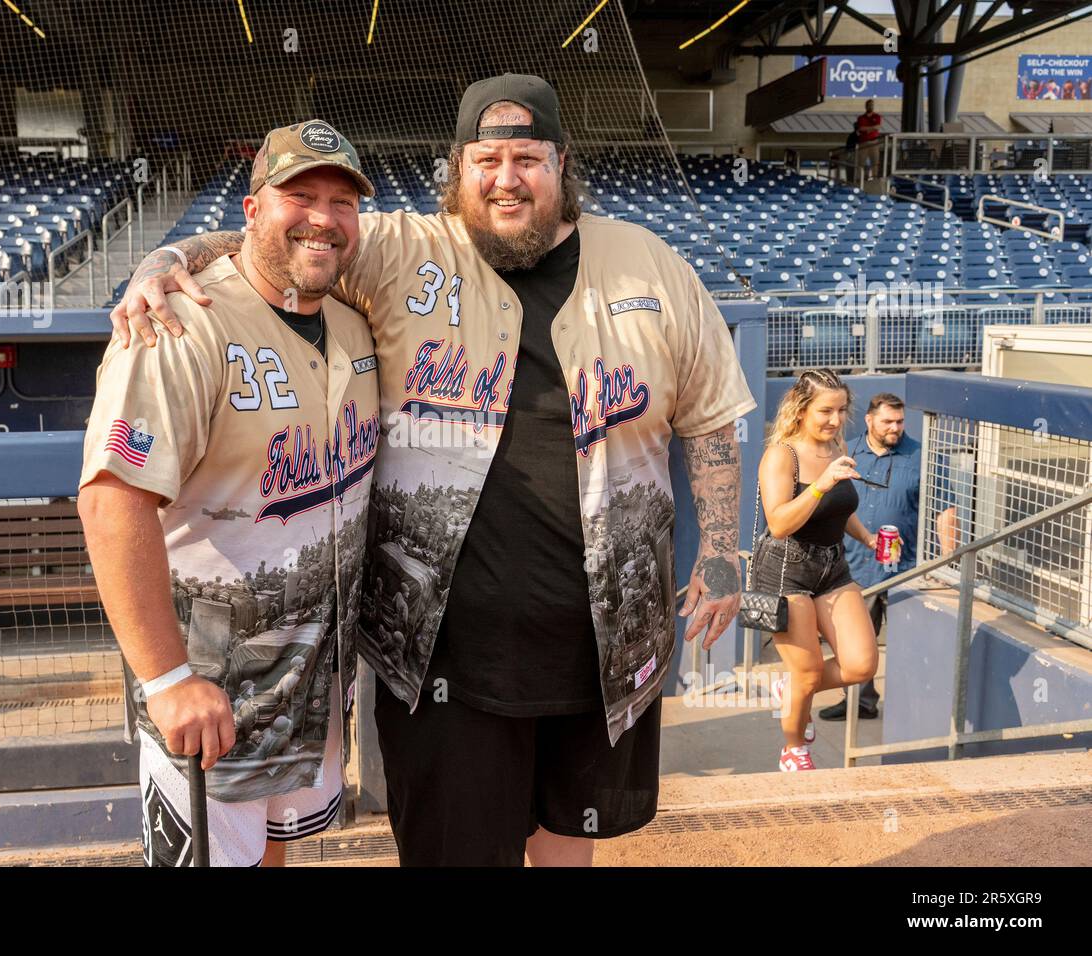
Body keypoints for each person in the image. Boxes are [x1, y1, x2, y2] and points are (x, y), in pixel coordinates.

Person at [110, 74, 756, 866]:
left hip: (604, 641)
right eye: (487, 158)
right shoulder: (405, 248)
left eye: (528, 157)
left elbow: (710, 416)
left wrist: (723, 550)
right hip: (446, 655)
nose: (507, 177)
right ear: (458, 168)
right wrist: (166, 260)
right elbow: (295, 237)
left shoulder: (648, 265)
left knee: (570, 849)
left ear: (562, 163)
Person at [78, 120, 378, 867]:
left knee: (272, 853)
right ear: (251, 211)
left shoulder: (352, 322)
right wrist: (168, 678)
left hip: (311, 684)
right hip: (210, 688)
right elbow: (112, 501)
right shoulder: (177, 325)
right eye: (299, 195)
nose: (323, 217)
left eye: (342, 201)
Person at [753, 370, 879, 771]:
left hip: (832, 565)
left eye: (842, 410)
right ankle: (794, 748)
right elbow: (779, 523)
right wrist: (820, 484)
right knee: (807, 673)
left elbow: (840, 509)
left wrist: (868, 538)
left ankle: (791, 690)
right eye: (826, 411)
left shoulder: (836, 445)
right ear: (801, 409)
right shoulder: (781, 455)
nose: (835, 420)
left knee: (861, 665)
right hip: (786, 569)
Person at [820, 393, 919, 721]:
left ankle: (908, 710)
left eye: (900, 421)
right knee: (856, 642)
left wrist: (942, 561)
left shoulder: (920, 455)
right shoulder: (845, 452)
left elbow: (943, 510)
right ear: (870, 420)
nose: (895, 428)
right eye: (888, 421)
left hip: (907, 569)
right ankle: (858, 703)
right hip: (858, 564)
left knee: (909, 645)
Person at [855, 99, 882, 180]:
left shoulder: (877, 116)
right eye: (869, 105)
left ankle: (874, 178)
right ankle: (859, 179)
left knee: (875, 162)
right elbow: (861, 128)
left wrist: (867, 129)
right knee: (860, 162)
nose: (870, 106)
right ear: (866, 106)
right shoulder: (861, 118)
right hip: (863, 142)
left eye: (872, 105)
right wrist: (872, 128)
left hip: (874, 142)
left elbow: (878, 127)